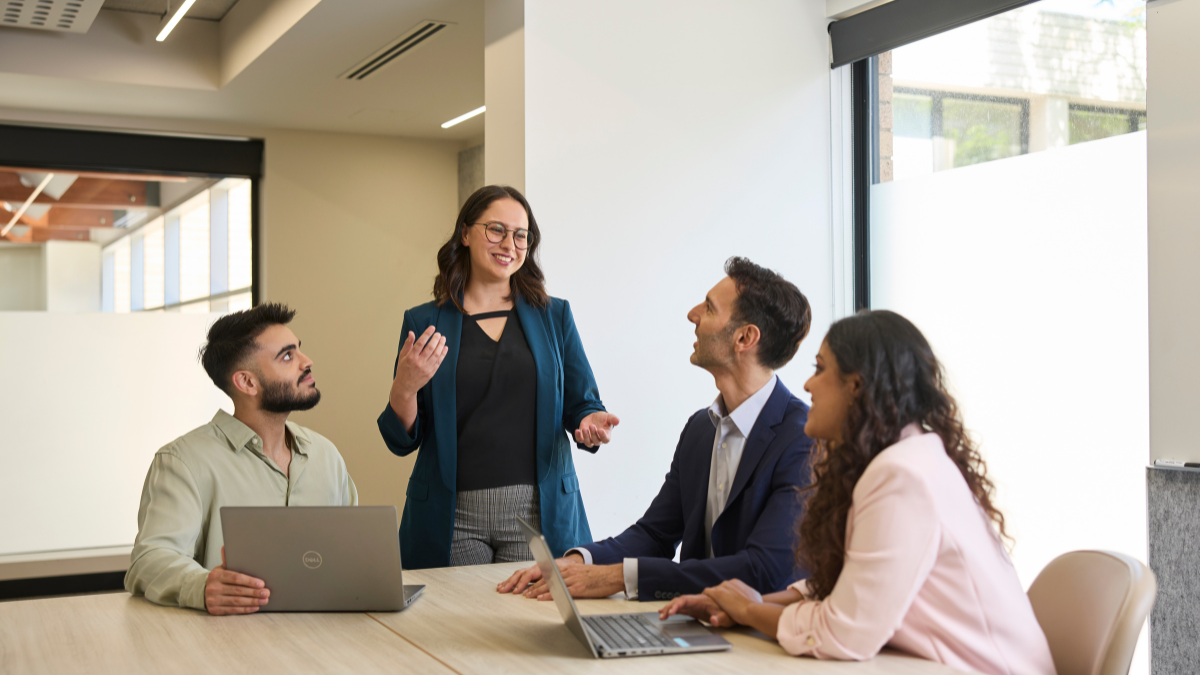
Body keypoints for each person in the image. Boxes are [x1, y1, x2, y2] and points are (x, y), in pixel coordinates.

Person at [660, 310, 1055, 675]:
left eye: (820, 369)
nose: (807, 384)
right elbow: (854, 588)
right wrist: (744, 603)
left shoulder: (903, 475)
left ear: (856, 385)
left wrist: (749, 609)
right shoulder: (903, 460)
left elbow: (842, 633)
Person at [498, 257, 815, 602]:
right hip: (693, 624)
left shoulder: (804, 439)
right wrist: (576, 562)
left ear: (744, 337)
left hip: (763, 640)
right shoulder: (700, 429)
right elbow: (655, 535)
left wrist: (621, 577)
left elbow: (763, 570)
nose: (693, 315)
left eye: (709, 308)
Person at [379, 185, 620, 569]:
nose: (510, 243)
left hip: (537, 512)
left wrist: (590, 420)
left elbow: (582, 402)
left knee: (532, 624)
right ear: (465, 233)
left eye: (521, 235)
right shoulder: (424, 321)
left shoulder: (554, 316)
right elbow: (403, 438)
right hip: (452, 516)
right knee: (459, 626)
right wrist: (404, 387)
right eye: (496, 230)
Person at [125, 303, 357, 615]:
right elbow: (150, 559)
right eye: (287, 356)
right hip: (229, 649)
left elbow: (355, 549)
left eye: (298, 350)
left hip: (324, 641)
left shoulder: (325, 455)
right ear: (247, 382)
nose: (307, 362)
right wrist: (201, 586)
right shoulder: (182, 461)